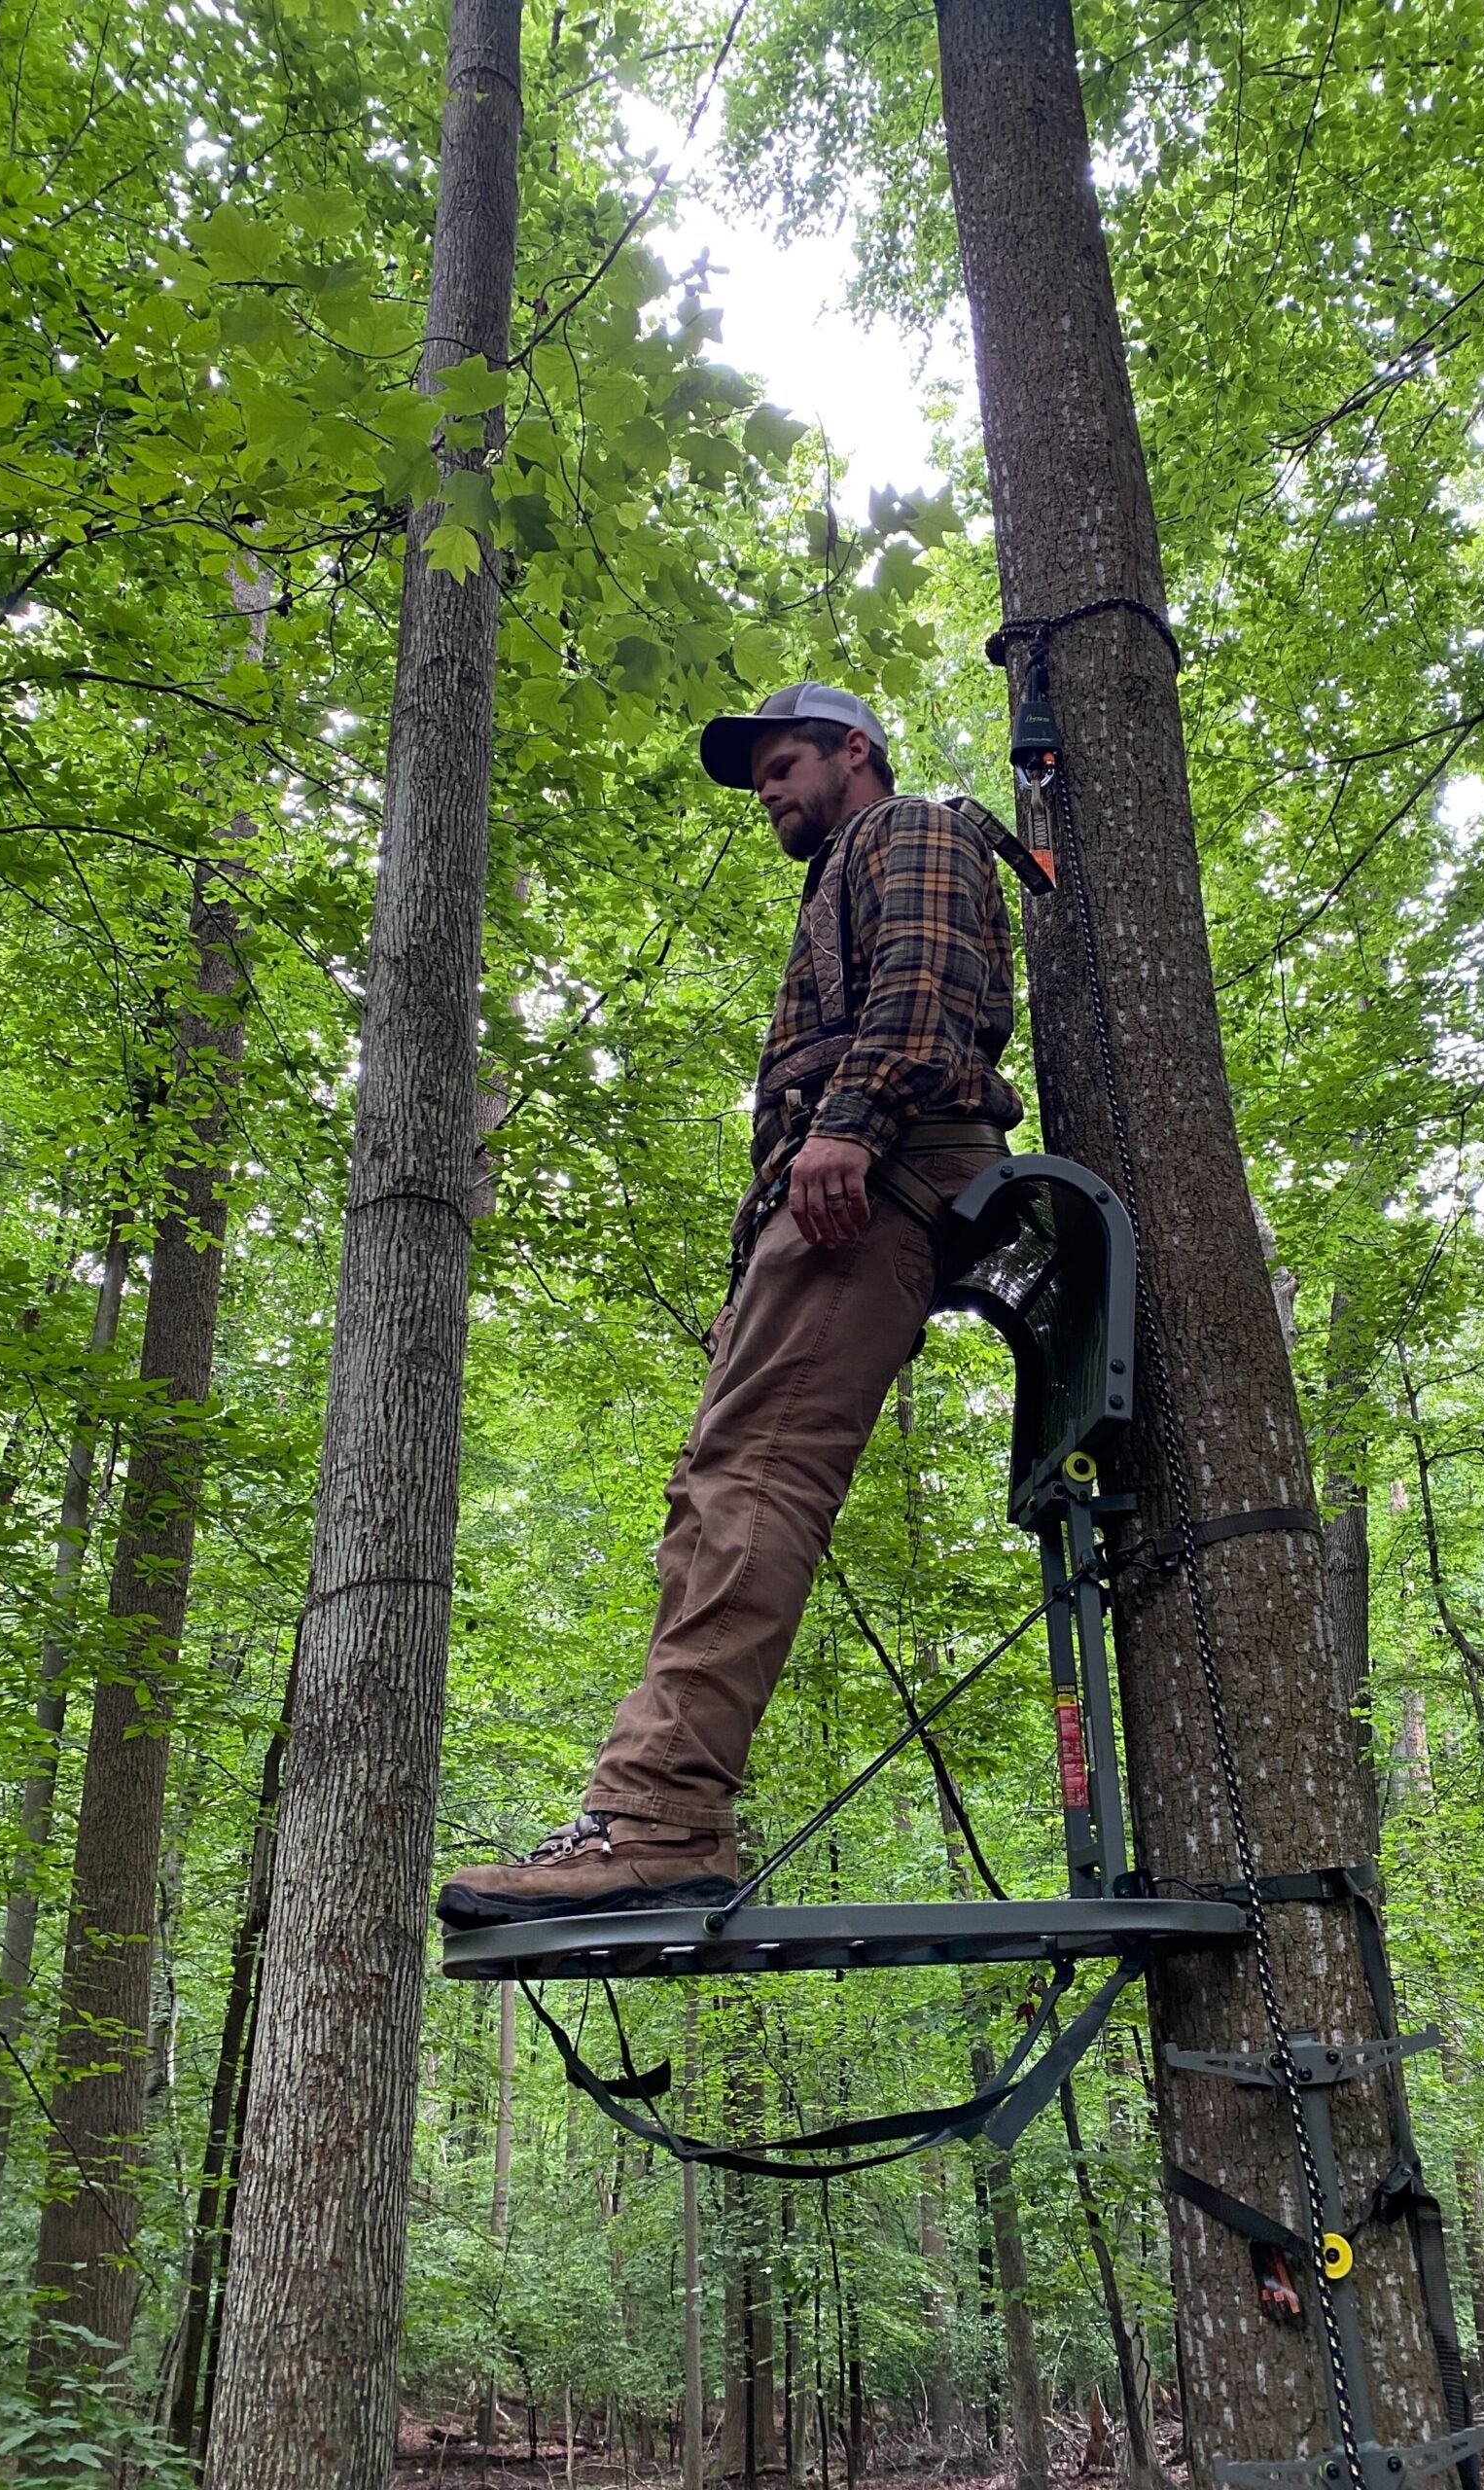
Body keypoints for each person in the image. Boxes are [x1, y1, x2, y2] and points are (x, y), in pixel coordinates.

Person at [438, 685, 1023, 1929]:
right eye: (759, 772)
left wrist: (851, 1129)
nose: (767, 788)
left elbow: (920, 992)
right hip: (830, 1205)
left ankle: (654, 1824)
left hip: (880, 1179)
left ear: (854, 752)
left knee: (753, 1481)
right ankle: (649, 1811)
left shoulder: (907, 828)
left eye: (785, 762)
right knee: (714, 1492)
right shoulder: (846, 870)